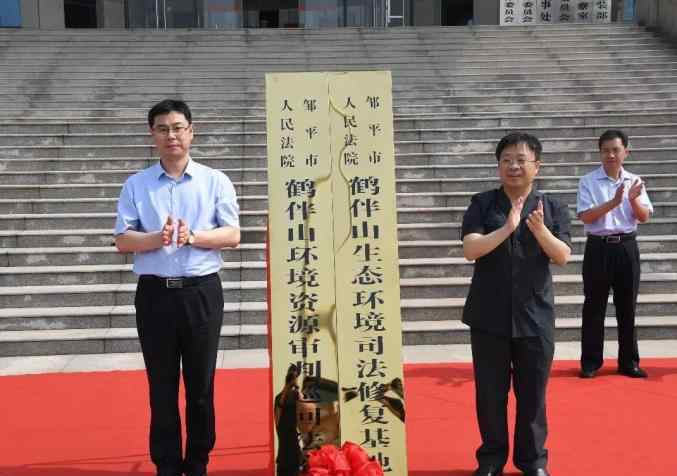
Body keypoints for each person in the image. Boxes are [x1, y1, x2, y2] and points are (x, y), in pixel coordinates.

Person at [114, 99, 240, 476]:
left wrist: (194, 236)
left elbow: (233, 234)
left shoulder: (215, 180)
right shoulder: (136, 185)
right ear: (152, 135)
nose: (172, 135)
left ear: (191, 132)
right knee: (161, 386)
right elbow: (122, 240)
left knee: (201, 386)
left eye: (178, 127)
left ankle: (198, 461)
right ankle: (167, 465)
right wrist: (157, 237)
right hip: (154, 296)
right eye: (163, 128)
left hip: (201, 292)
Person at [461, 132, 571, 476]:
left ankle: (533, 462)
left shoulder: (552, 207)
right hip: (488, 316)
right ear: (498, 166)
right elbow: (470, 250)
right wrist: (507, 227)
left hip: (535, 317)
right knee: (490, 396)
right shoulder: (482, 204)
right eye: (506, 159)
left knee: (533, 396)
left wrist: (540, 232)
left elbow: (563, 255)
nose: (513, 166)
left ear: (536, 166)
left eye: (521, 160)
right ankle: (491, 460)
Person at [577, 129, 653, 379]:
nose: (611, 155)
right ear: (599, 153)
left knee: (627, 307)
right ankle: (590, 362)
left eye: (616, 150)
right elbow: (585, 216)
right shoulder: (588, 181)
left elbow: (644, 217)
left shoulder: (635, 180)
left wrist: (631, 200)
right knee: (593, 306)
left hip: (626, 247)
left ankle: (628, 362)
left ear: (626, 152)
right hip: (598, 247)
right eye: (606, 150)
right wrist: (613, 202)